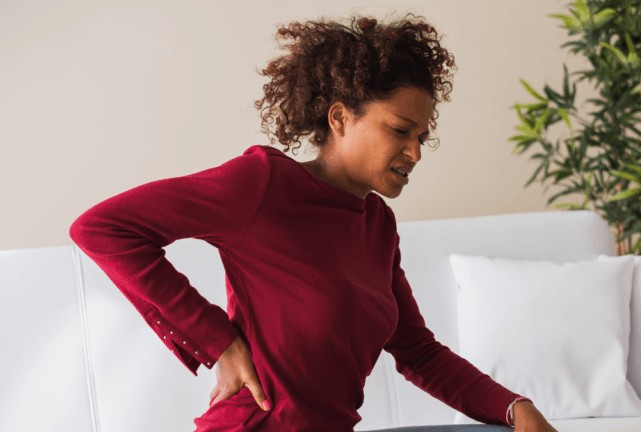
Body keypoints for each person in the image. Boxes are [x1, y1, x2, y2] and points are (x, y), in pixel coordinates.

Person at [69, 14, 557, 432]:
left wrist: (513, 407)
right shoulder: (261, 184)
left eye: (422, 137)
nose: (415, 153)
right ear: (341, 118)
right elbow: (102, 228)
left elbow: (417, 350)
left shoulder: (377, 226)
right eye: (400, 131)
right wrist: (220, 342)